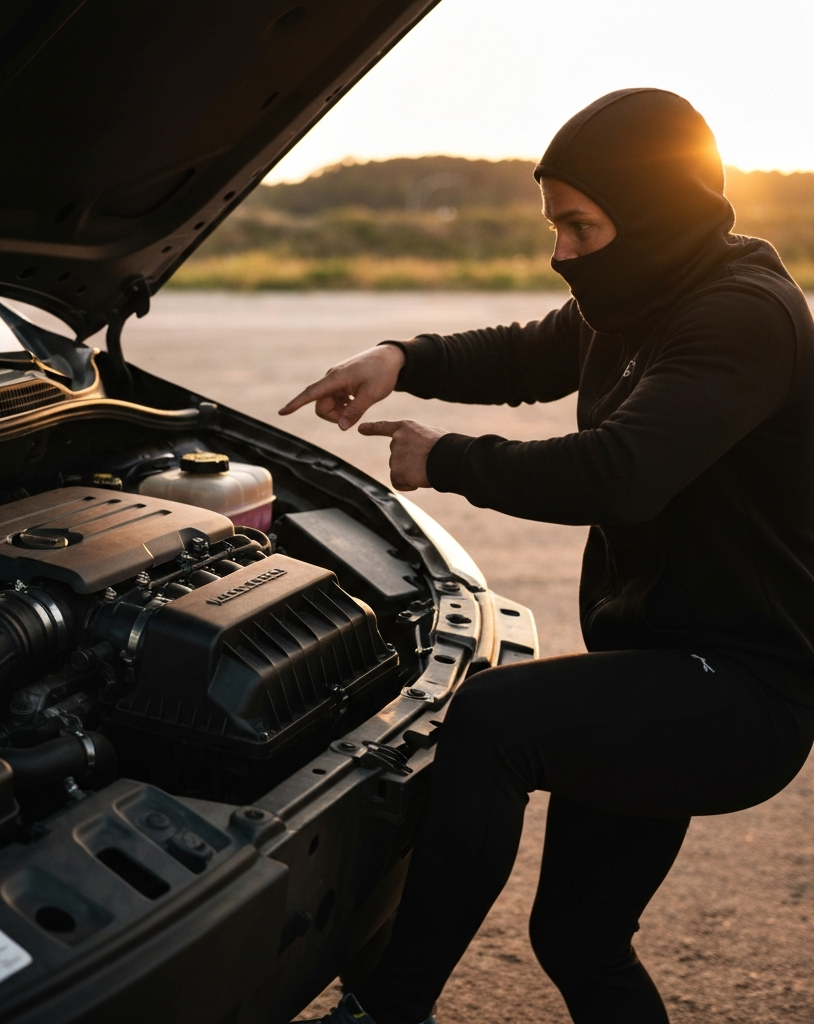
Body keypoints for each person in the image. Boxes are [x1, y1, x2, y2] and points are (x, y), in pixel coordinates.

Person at [280, 89, 814, 1024]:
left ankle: (388, 1007)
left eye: (580, 225)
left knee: (491, 720)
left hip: (743, 688)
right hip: (659, 668)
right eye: (553, 224)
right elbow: (529, 355)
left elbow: (621, 475)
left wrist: (444, 458)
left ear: (656, 215)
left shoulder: (741, 316)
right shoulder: (643, 292)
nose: (561, 251)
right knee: (578, 939)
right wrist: (400, 357)